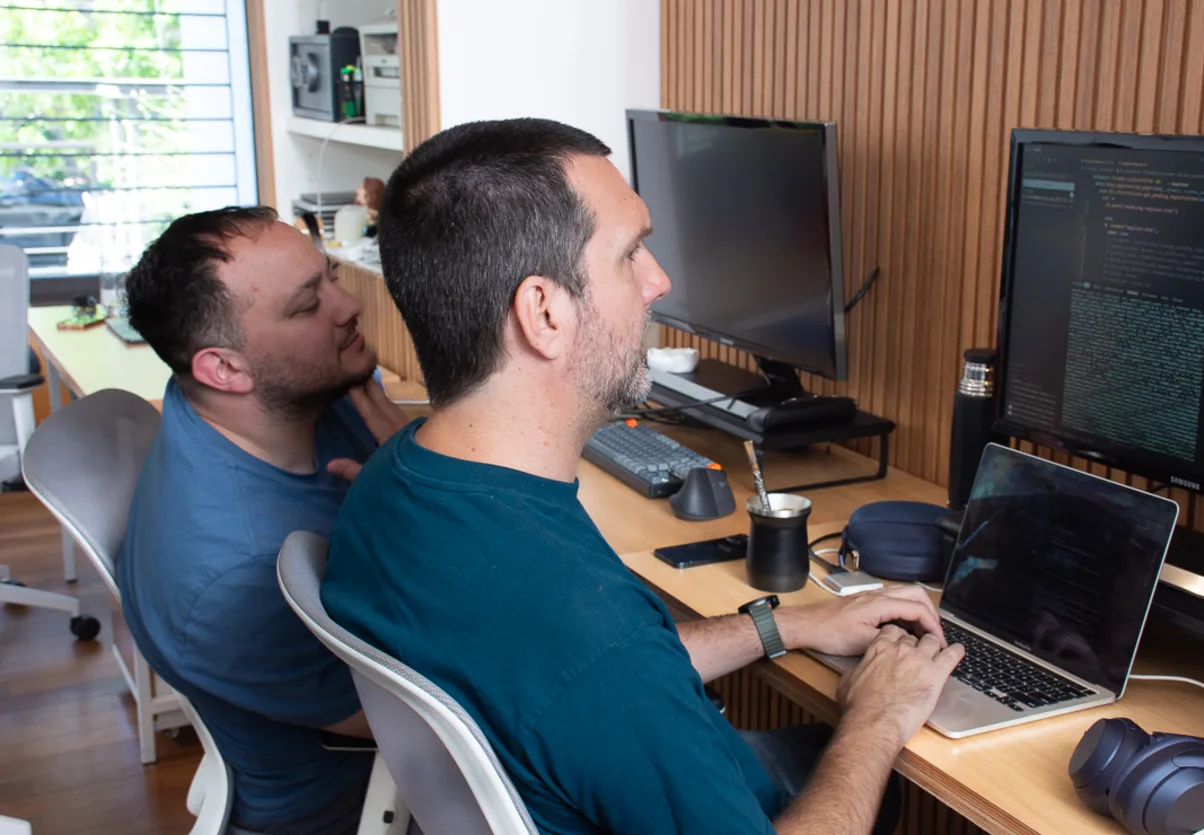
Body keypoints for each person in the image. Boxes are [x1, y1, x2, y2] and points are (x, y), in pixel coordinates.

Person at [323, 118, 965, 835]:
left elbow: (581, 677)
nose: (659, 281)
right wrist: (878, 715)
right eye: (630, 253)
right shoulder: (582, 628)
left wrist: (788, 623)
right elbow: (599, 664)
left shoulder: (396, 483)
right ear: (543, 313)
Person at [117, 206, 408, 835]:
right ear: (223, 368)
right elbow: (431, 723)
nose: (350, 305)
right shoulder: (240, 574)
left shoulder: (279, 395)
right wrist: (433, 508)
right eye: (307, 305)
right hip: (365, 801)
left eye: (330, 277)